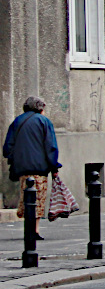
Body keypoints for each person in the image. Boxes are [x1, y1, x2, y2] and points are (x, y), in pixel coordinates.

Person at [3, 96, 61, 238]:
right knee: (38, 198)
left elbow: (7, 148)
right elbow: (50, 147)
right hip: (39, 169)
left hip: (23, 169)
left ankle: (27, 227)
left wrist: (14, 160)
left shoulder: (17, 121)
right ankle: (34, 230)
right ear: (40, 108)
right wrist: (54, 167)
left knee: (26, 196)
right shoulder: (44, 122)